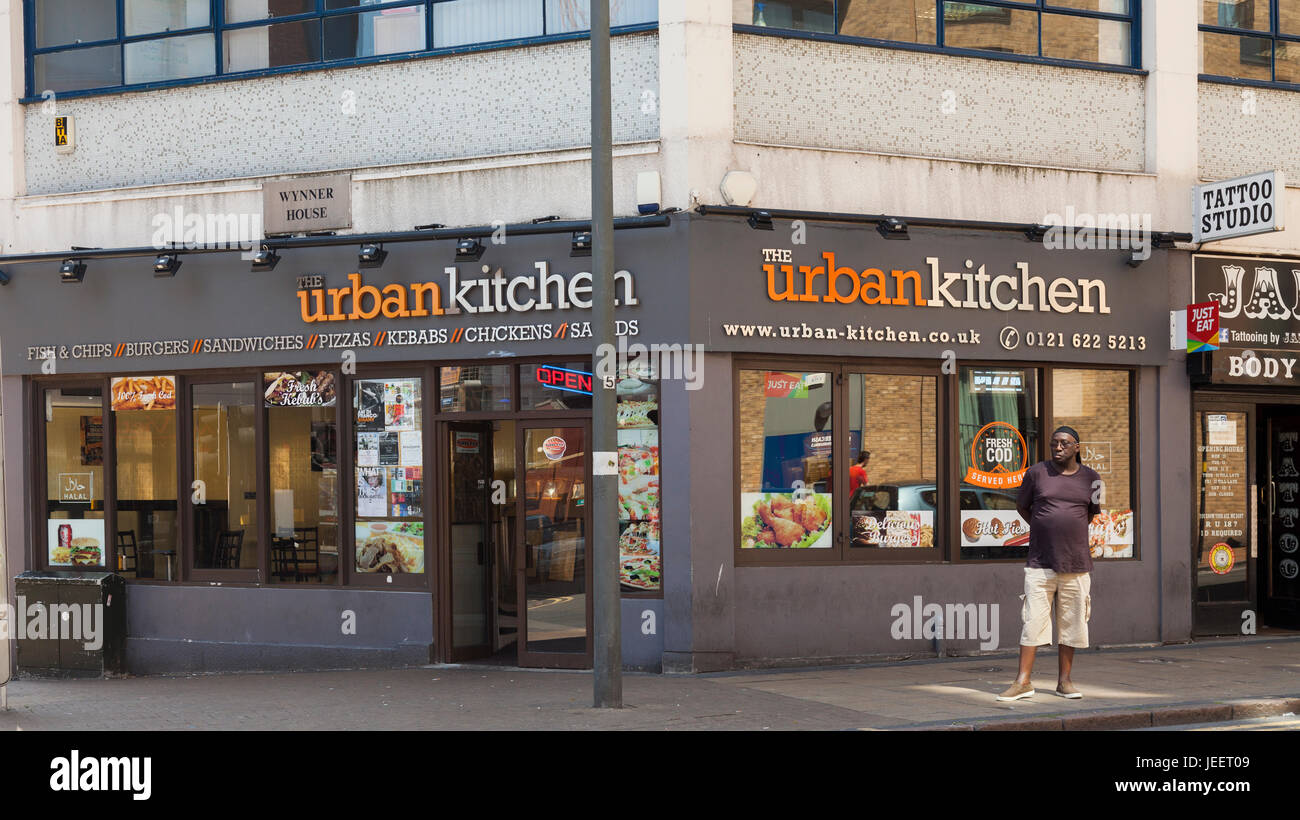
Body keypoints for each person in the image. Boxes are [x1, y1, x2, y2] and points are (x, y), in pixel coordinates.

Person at [997, 426, 1100, 702]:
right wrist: (1044, 527)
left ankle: (1064, 681)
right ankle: (1022, 682)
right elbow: (1023, 507)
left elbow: (1091, 513)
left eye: (1064, 443)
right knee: (1032, 621)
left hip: (1076, 563)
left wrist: (1066, 528)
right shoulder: (1036, 473)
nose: (1057, 447)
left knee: (1072, 623)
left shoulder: (1092, 478)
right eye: (1054, 443)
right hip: (1040, 562)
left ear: (1076, 447)